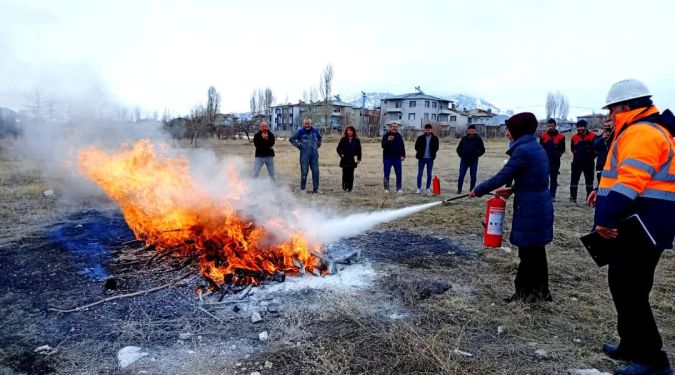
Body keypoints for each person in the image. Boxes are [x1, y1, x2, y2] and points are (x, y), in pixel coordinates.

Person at [587, 79, 674, 375]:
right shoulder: (643, 130)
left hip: (643, 227)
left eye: (612, 109)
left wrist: (605, 219)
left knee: (631, 290)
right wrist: (602, 192)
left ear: (626, 106)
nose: (609, 115)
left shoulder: (642, 132)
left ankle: (652, 359)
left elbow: (631, 182)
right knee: (622, 285)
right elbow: (628, 178)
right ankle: (630, 345)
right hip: (641, 223)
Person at [469, 112, 553, 303]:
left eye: (509, 129)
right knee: (537, 251)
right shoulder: (535, 147)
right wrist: (514, 189)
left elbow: (501, 177)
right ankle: (541, 292)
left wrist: (478, 190)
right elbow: (535, 177)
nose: (507, 133)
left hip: (531, 208)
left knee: (528, 252)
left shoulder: (522, 151)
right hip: (539, 204)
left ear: (517, 131)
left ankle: (524, 294)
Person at [289, 118, 322, 193]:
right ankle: (303, 189)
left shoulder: (315, 130)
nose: (307, 125)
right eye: (306, 124)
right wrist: (298, 145)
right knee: (304, 171)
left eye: (308, 123)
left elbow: (320, 137)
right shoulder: (300, 131)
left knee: (316, 171)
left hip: (314, 154)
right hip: (304, 155)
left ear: (311, 123)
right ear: (304, 124)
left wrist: (319, 143)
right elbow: (292, 139)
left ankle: (315, 189)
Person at [570, 120, 597, 202]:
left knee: (589, 182)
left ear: (585, 127)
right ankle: (573, 197)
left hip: (589, 163)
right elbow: (572, 149)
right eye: (578, 126)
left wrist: (591, 157)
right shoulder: (574, 137)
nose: (580, 128)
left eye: (582, 126)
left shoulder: (593, 136)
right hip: (577, 163)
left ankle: (589, 198)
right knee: (574, 181)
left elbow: (596, 149)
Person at [539, 118, 565, 201]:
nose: (550, 127)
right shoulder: (543, 136)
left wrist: (557, 156)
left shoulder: (561, 136)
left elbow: (562, 149)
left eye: (552, 126)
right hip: (544, 162)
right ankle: (544, 195)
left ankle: (552, 195)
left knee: (553, 179)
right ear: (547, 126)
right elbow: (540, 148)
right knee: (544, 179)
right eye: (549, 126)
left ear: (555, 126)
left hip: (555, 162)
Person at [456, 124, 485, 194]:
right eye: (470, 131)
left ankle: (472, 191)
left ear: (475, 131)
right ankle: (459, 190)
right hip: (464, 161)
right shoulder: (464, 139)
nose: (471, 132)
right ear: (468, 131)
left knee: (473, 177)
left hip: (474, 161)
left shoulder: (479, 139)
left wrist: (477, 154)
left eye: (473, 131)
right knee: (461, 176)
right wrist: (461, 155)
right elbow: (458, 149)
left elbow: (482, 149)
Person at [414, 124, 440, 194]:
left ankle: (427, 188)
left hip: (430, 159)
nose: (428, 131)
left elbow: (437, 148)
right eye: (426, 130)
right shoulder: (420, 138)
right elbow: (416, 147)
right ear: (424, 130)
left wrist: (432, 153)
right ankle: (418, 188)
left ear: (431, 130)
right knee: (420, 174)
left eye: (429, 130)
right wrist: (420, 152)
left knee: (429, 174)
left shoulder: (435, 138)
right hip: (421, 159)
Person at [381, 122, 406, 193]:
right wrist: (388, 140)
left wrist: (403, 155)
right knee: (386, 173)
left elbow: (402, 146)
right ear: (390, 127)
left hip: (397, 158)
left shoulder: (399, 136)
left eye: (396, 127)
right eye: (393, 127)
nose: (395, 128)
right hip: (387, 158)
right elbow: (383, 145)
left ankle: (399, 188)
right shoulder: (386, 136)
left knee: (399, 173)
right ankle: (386, 188)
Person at [336, 126, 362, 192]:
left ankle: (349, 188)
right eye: (348, 130)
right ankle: (344, 187)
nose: (349, 132)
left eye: (350, 130)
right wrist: (341, 154)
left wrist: (359, 159)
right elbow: (338, 148)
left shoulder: (356, 140)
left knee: (351, 174)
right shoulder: (343, 139)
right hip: (345, 159)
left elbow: (359, 150)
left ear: (353, 131)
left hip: (352, 160)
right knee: (345, 174)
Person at [592, 118, 614, 186]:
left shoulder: (616, 137)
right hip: (601, 165)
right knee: (600, 185)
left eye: (609, 126)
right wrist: (602, 138)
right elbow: (594, 146)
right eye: (605, 126)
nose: (607, 127)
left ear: (613, 126)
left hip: (612, 166)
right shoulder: (598, 137)